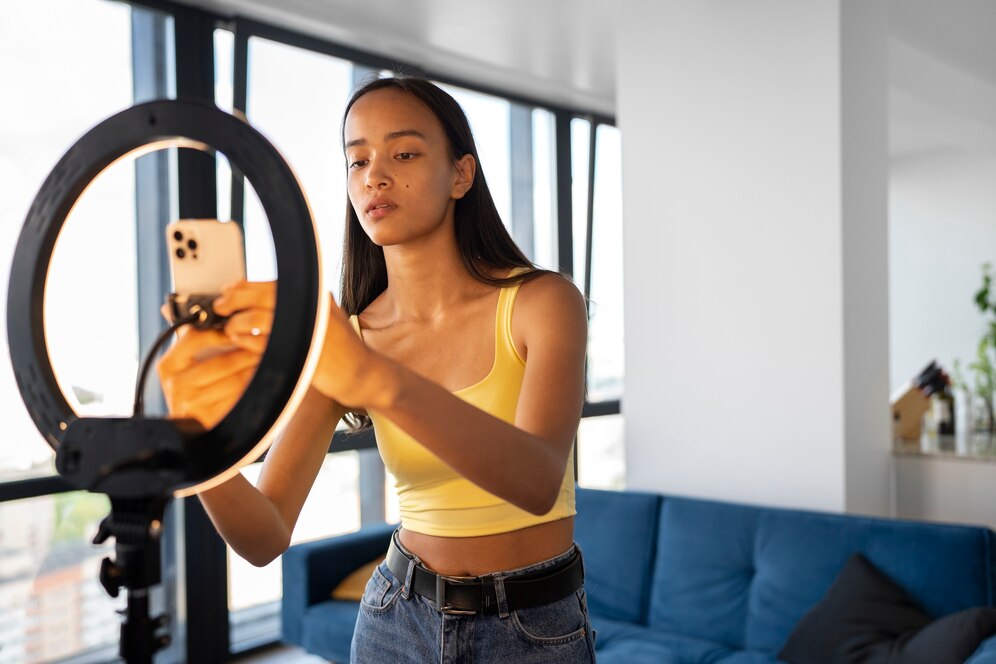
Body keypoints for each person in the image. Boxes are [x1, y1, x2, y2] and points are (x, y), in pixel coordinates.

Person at [157, 76, 593, 663]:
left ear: (461, 174)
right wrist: (199, 438)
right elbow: (263, 535)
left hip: (533, 629)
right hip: (396, 621)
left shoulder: (543, 302)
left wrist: (373, 379)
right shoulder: (352, 337)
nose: (374, 176)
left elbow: (538, 480)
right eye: (356, 159)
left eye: (404, 153)